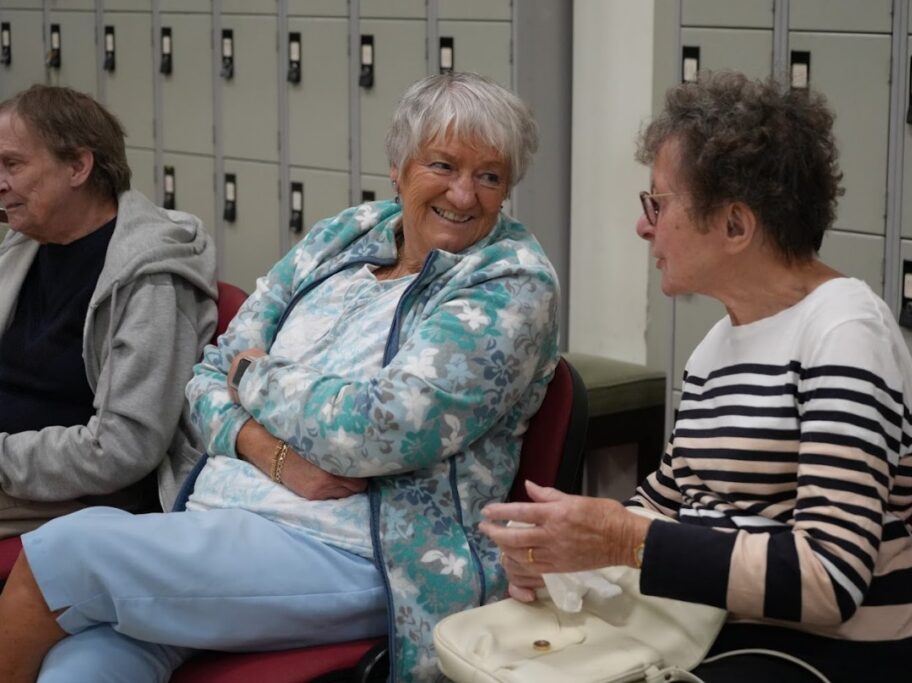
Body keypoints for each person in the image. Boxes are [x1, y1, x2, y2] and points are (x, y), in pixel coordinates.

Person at [0, 72, 559, 683]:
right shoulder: (344, 237)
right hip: (219, 520)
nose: (464, 194)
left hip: (359, 554)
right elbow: (205, 380)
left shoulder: (509, 281)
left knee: (68, 554)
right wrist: (270, 452)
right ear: (399, 168)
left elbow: (379, 428)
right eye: (443, 165)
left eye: (490, 176)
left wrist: (257, 377)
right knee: (84, 664)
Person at [482, 72, 912, 683]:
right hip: (714, 631)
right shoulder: (720, 344)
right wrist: (565, 552)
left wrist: (620, 541)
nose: (645, 227)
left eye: (658, 204)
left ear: (736, 226)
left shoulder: (844, 332)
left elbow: (831, 579)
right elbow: (672, 498)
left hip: (823, 656)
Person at [0, 85, 217, 537]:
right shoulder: (27, 242)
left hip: (75, 496)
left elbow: (123, 450)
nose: (1, 182)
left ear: (78, 166)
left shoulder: (151, 278)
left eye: (13, 165)